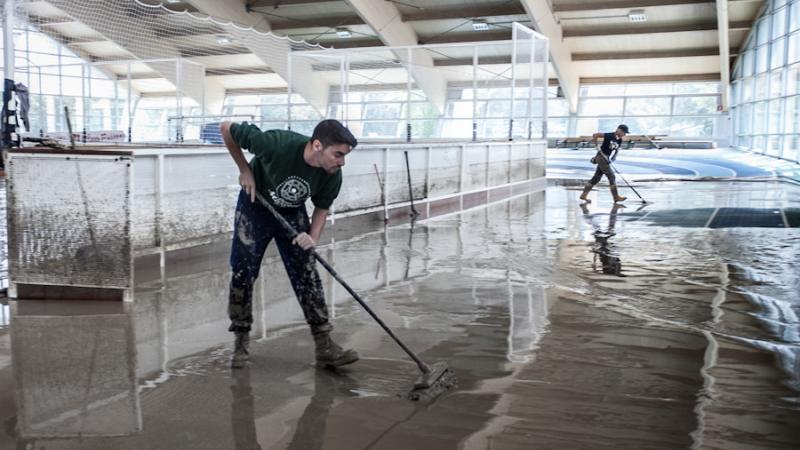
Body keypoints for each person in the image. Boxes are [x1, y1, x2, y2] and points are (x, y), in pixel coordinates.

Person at [220, 119, 359, 369]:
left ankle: (324, 345)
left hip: (292, 212)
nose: (342, 162)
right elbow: (226, 127)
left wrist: (312, 238)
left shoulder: (332, 174)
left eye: (345, 156)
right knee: (243, 272)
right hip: (255, 205)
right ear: (317, 145)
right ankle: (240, 342)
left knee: (306, 272)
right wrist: (244, 169)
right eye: (338, 154)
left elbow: (322, 208)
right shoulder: (275, 145)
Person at [579, 124, 629, 203]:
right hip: (601, 157)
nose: (624, 134)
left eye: (625, 133)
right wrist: (597, 146)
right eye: (624, 132)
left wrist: (614, 157)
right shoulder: (609, 135)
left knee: (596, 178)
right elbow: (595, 135)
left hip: (606, 158)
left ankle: (584, 195)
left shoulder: (619, 139)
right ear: (619, 130)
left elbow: (617, 149)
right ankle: (616, 197)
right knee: (612, 176)